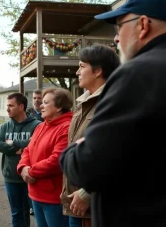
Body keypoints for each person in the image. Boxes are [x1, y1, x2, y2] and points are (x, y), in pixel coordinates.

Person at [60, 0, 166, 227]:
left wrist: (71, 152)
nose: (116, 37)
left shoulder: (137, 74)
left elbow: (89, 167)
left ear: (143, 25)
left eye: (119, 26)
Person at [60, 45, 119, 227]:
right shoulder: (83, 103)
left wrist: (87, 192)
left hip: (93, 205)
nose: (77, 72)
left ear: (98, 71)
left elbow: (117, 154)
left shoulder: (113, 102)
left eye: (82, 66)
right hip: (75, 202)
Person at [17, 87, 73, 227]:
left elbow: (56, 160)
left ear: (59, 107)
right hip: (35, 193)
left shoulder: (66, 128)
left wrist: (30, 171)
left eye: (46, 102)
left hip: (54, 198)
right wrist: (23, 167)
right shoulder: (41, 126)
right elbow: (27, 150)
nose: (40, 105)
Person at [0, 93, 41, 227]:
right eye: (7, 106)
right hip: (11, 177)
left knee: (38, 214)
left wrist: (11, 142)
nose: (7, 109)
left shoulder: (37, 126)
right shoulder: (5, 126)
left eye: (10, 105)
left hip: (32, 177)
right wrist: (19, 149)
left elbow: (35, 145)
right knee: (17, 213)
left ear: (21, 107)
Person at [26, 89, 44, 216]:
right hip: (29, 151)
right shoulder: (27, 114)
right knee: (29, 179)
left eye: (39, 98)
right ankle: (31, 205)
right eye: (34, 98)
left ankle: (39, 203)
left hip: (43, 150)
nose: (36, 100)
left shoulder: (46, 113)